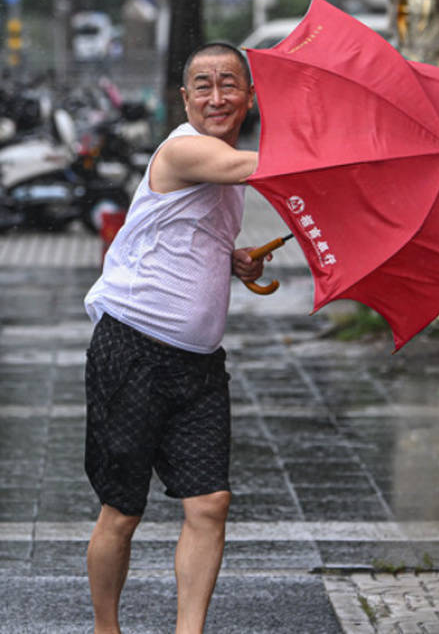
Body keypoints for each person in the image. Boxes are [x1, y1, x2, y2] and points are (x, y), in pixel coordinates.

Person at [82, 42, 266, 634]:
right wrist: (352, 151)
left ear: (249, 95)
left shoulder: (223, 163)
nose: (218, 97)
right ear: (185, 99)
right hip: (132, 350)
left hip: (199, 365)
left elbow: (188, 228)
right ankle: (106, 629)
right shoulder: (184, 149)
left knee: (210, 502)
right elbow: (254, 168)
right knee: (122, 512)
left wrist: (232, 259)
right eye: (204, 86)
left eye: (230, 84)